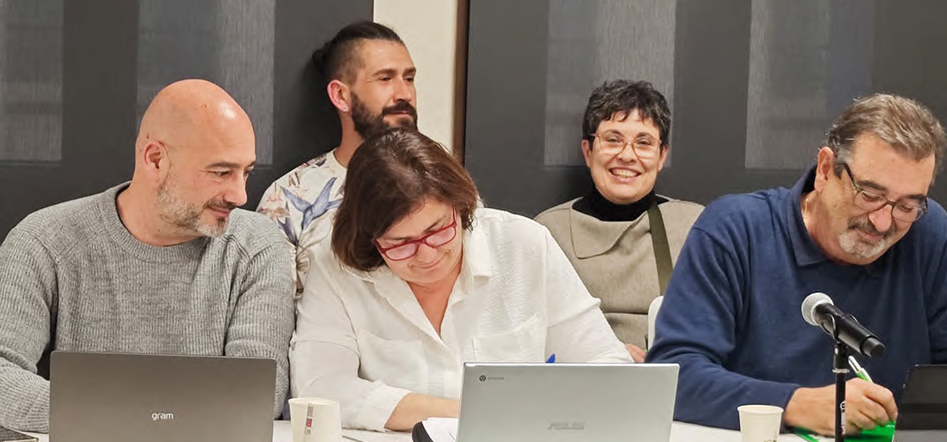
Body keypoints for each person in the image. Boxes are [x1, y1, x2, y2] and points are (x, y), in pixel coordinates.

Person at [0, 79, 295, 432]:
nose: (240, 195)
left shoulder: (257, 245)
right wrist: (131, 418)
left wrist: (100, 412)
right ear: (155, 160)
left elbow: (258, 392)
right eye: (221, 172)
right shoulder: (44, 240)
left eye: (246, 172)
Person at [291, 128, 631, 432]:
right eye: (401, 243)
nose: (427, 255)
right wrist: (469, 414)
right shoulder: (336, 267)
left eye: (438, 230)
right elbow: (318, 387)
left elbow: (609, 368)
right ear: (370, 241)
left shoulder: (522, 245)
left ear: (461, 207)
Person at [646, 94, 947, 435]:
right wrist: (794, 404)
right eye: (869, 195)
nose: (882, 222)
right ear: (825, 170)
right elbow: (675, 376)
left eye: (906, 206)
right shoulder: (735, 230)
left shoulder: (928, 233)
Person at [535, 80, 702, 362]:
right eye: (613, 139)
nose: (626, 155)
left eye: (644, 143)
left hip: (673, 380)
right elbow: (533, 337)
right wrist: (605, 356)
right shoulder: (547, 231)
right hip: (581, 382)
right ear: (588, 151)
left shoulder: (694, 226)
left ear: (662, 156)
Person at [257, 21, 418, 298]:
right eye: (385, 78)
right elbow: (271, 313)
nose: (405, 93)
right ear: (341, 95)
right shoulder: (287, 200)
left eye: (409, 78)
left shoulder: (442, 182)